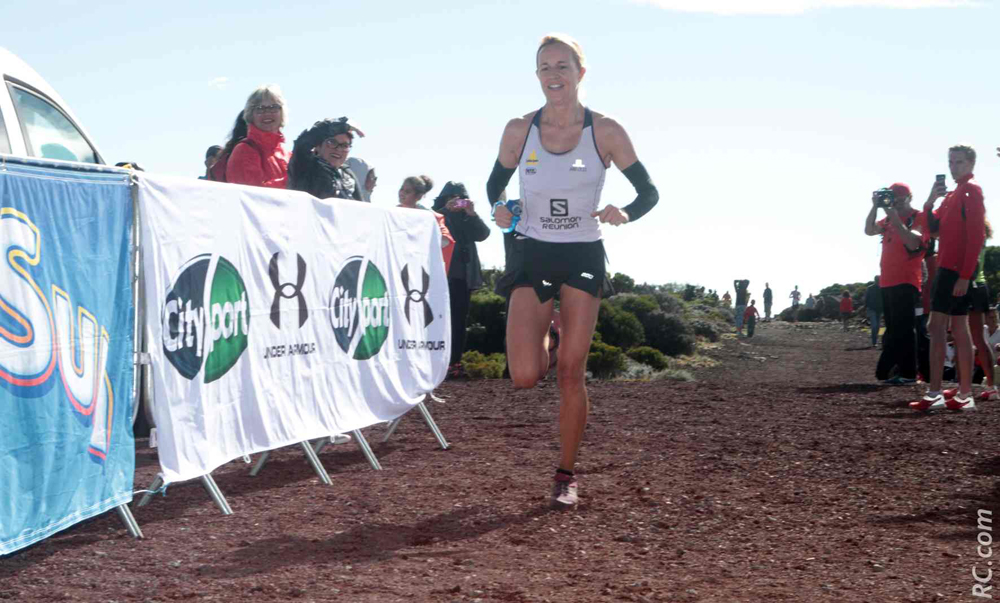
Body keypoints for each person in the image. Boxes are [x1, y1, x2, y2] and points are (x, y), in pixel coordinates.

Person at [487, 33, 658, 509]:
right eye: (545, 68)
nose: (553, 75)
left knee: (570, 374)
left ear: (581, 73)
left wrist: (625, 212)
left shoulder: (605, 130)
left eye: (563, 66)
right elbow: (493, 186)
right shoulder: (519, 129)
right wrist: (502, 209)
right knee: (524, 375)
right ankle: (550, 331)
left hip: (582, 254)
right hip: (532, 252)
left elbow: (649, 193)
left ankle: (566, 473)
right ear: (537, 76)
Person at [911, 145, 986, 412]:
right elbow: (930, 227)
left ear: (971, 164)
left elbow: (977, 236)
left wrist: (965, 276)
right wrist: (931, 199)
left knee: (938, 328)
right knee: (957, 330)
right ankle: (963, 394)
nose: (954, 167)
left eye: (960, 162)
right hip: (948, 268)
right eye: (951, 162)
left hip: (955, 271)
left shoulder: (971, 190)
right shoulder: (953, 194)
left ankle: (936, 392)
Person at [864, 182, 926, 384]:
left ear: (910, 197)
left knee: (905, 328)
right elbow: (869, 230)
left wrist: (894, 217)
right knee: (892, 327)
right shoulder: (887, 220)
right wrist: (875, 206)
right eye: (894, 200)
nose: (897, 204)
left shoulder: (917, 217)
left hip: (907, 280)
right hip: (887, 281)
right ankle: (889, 370)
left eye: (901, 200)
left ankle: (909, 373)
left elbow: (913, 242)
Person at [431, 181, 491, 369]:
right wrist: (446, 210)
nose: (456, 202)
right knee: (437, 319)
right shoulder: (437, 215)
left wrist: (472, 214)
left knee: (459, 320)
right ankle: (435, 361)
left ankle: (454, 363)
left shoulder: (467, 217)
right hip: (441, 276)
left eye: (460, 199)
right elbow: (430, 228)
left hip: (463, 277)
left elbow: (483, 234)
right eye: (452, 198)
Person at [226, 85, 290, 188]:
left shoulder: (287, 154)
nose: (267, 113)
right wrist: (294, 181)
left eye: (273, 107)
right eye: (260, 108)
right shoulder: (244, 151)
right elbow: (253, 197)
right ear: (251, 115)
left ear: (282, 112)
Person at [287, 117, 365, 200]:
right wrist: (341, 126)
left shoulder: (348, 174)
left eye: (344, 146)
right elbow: (302, 144)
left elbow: (361, 209)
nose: (338, 149)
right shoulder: (305, 166)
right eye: (332, 142)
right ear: (317, 146)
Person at [397, 175, 455, 273]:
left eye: (407, 191)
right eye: (401, 189)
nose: (402, 193)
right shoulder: (391, 213)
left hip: (418, 266)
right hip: (397, 263)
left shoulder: (430, 216)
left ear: (418, 196)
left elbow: (445, 241)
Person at [864, 276, 883, 348]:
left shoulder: (882, 288)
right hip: (871, 309)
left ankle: (875, 341)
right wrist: (865, 307)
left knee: (878, 327)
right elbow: (866, 298)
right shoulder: (870, 288)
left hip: (879, 309)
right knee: (874, 326)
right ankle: (874, 342)